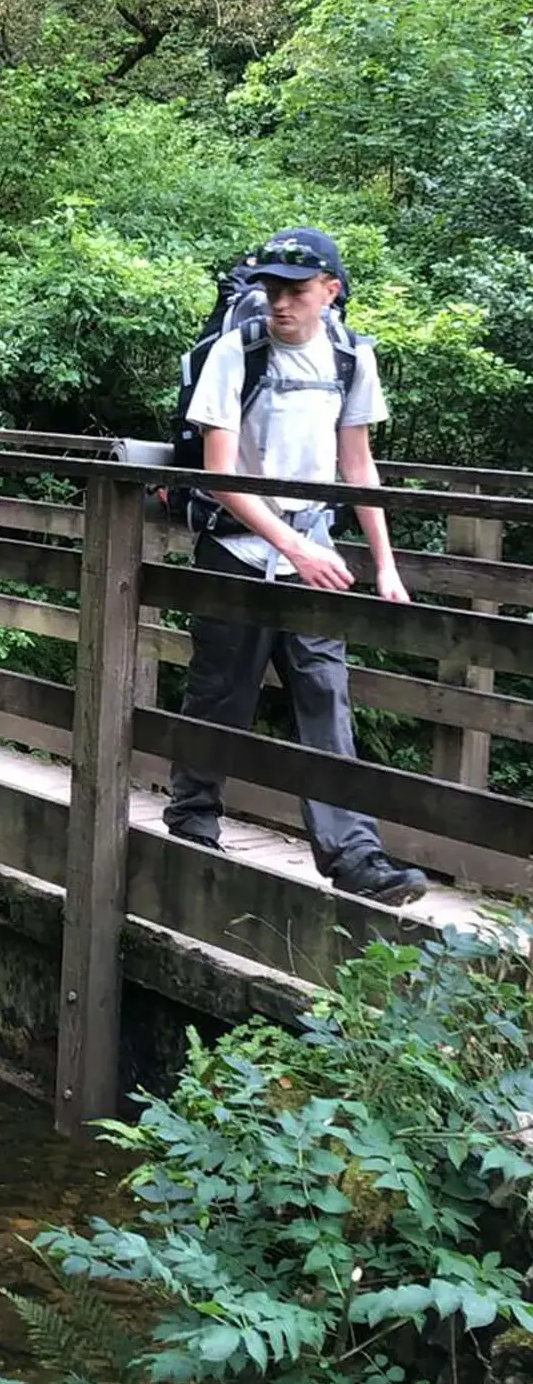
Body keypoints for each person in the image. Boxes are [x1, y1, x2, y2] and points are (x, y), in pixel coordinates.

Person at [165, 227, 428, 909]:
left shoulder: (348, 357)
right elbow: (220, 477)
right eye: (272, 291)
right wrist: (295, 547)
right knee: (220, 695)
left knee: (326, 698)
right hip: (237, 552)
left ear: (330, 293)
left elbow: (358, 465)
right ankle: (191, 826)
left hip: (313, 555)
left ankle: (355, 858)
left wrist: (386, 565)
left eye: (296, 292)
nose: (279, 304)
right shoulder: (236, 350)